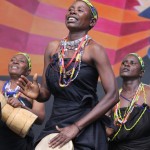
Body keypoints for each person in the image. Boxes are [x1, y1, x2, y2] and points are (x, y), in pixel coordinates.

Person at [17, 0, 118, 149]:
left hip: (86, 124)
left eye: (79, 10)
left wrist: (76, 127)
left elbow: (113, 95)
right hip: (57, 121)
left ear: (92, 21)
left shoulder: (94, 50)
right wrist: (38, 94)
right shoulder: (52, 48)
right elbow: (45, 93)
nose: (72, 12)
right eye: (71, 9)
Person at [0, 52, 45, 150]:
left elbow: (40, 118)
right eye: (12, 60)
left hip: (19, 143)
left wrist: (22, 107)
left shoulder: (35, 89)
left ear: (28, 72)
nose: (15, 62)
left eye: (21, 61)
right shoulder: (0, 84)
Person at [108, 53, 150, 150]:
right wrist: (110, 129)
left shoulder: (148, 92)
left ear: (141, 72)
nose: (126, 64)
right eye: (124, 63)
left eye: (132, 63)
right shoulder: (113, 98)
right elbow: (105, 129)